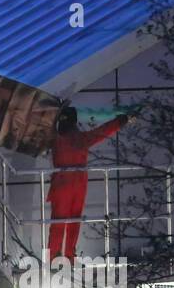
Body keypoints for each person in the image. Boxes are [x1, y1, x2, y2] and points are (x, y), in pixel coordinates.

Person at [46, 106, 130, 263]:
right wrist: (122, 120)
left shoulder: (55, 139)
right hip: (79, 186)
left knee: (58, 223)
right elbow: (103, 131)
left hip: (61, 185)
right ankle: (70, 258)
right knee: (74, 223)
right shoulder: (82, 139)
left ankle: (53, 259)